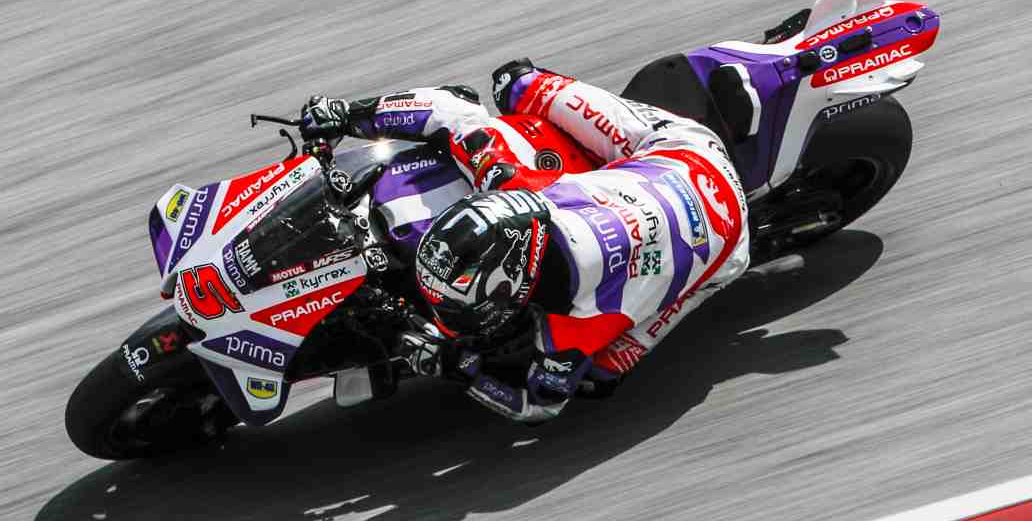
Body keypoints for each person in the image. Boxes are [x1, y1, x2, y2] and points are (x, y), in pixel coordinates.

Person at [299, 60, 749, 423]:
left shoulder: (576, 322)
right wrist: (348, 115)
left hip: (725, 240)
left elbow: (537, 404)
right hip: (682, 158)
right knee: (515, 81)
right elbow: (451, 108)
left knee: (599, 376)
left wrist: (461, 368)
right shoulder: (512, 186)